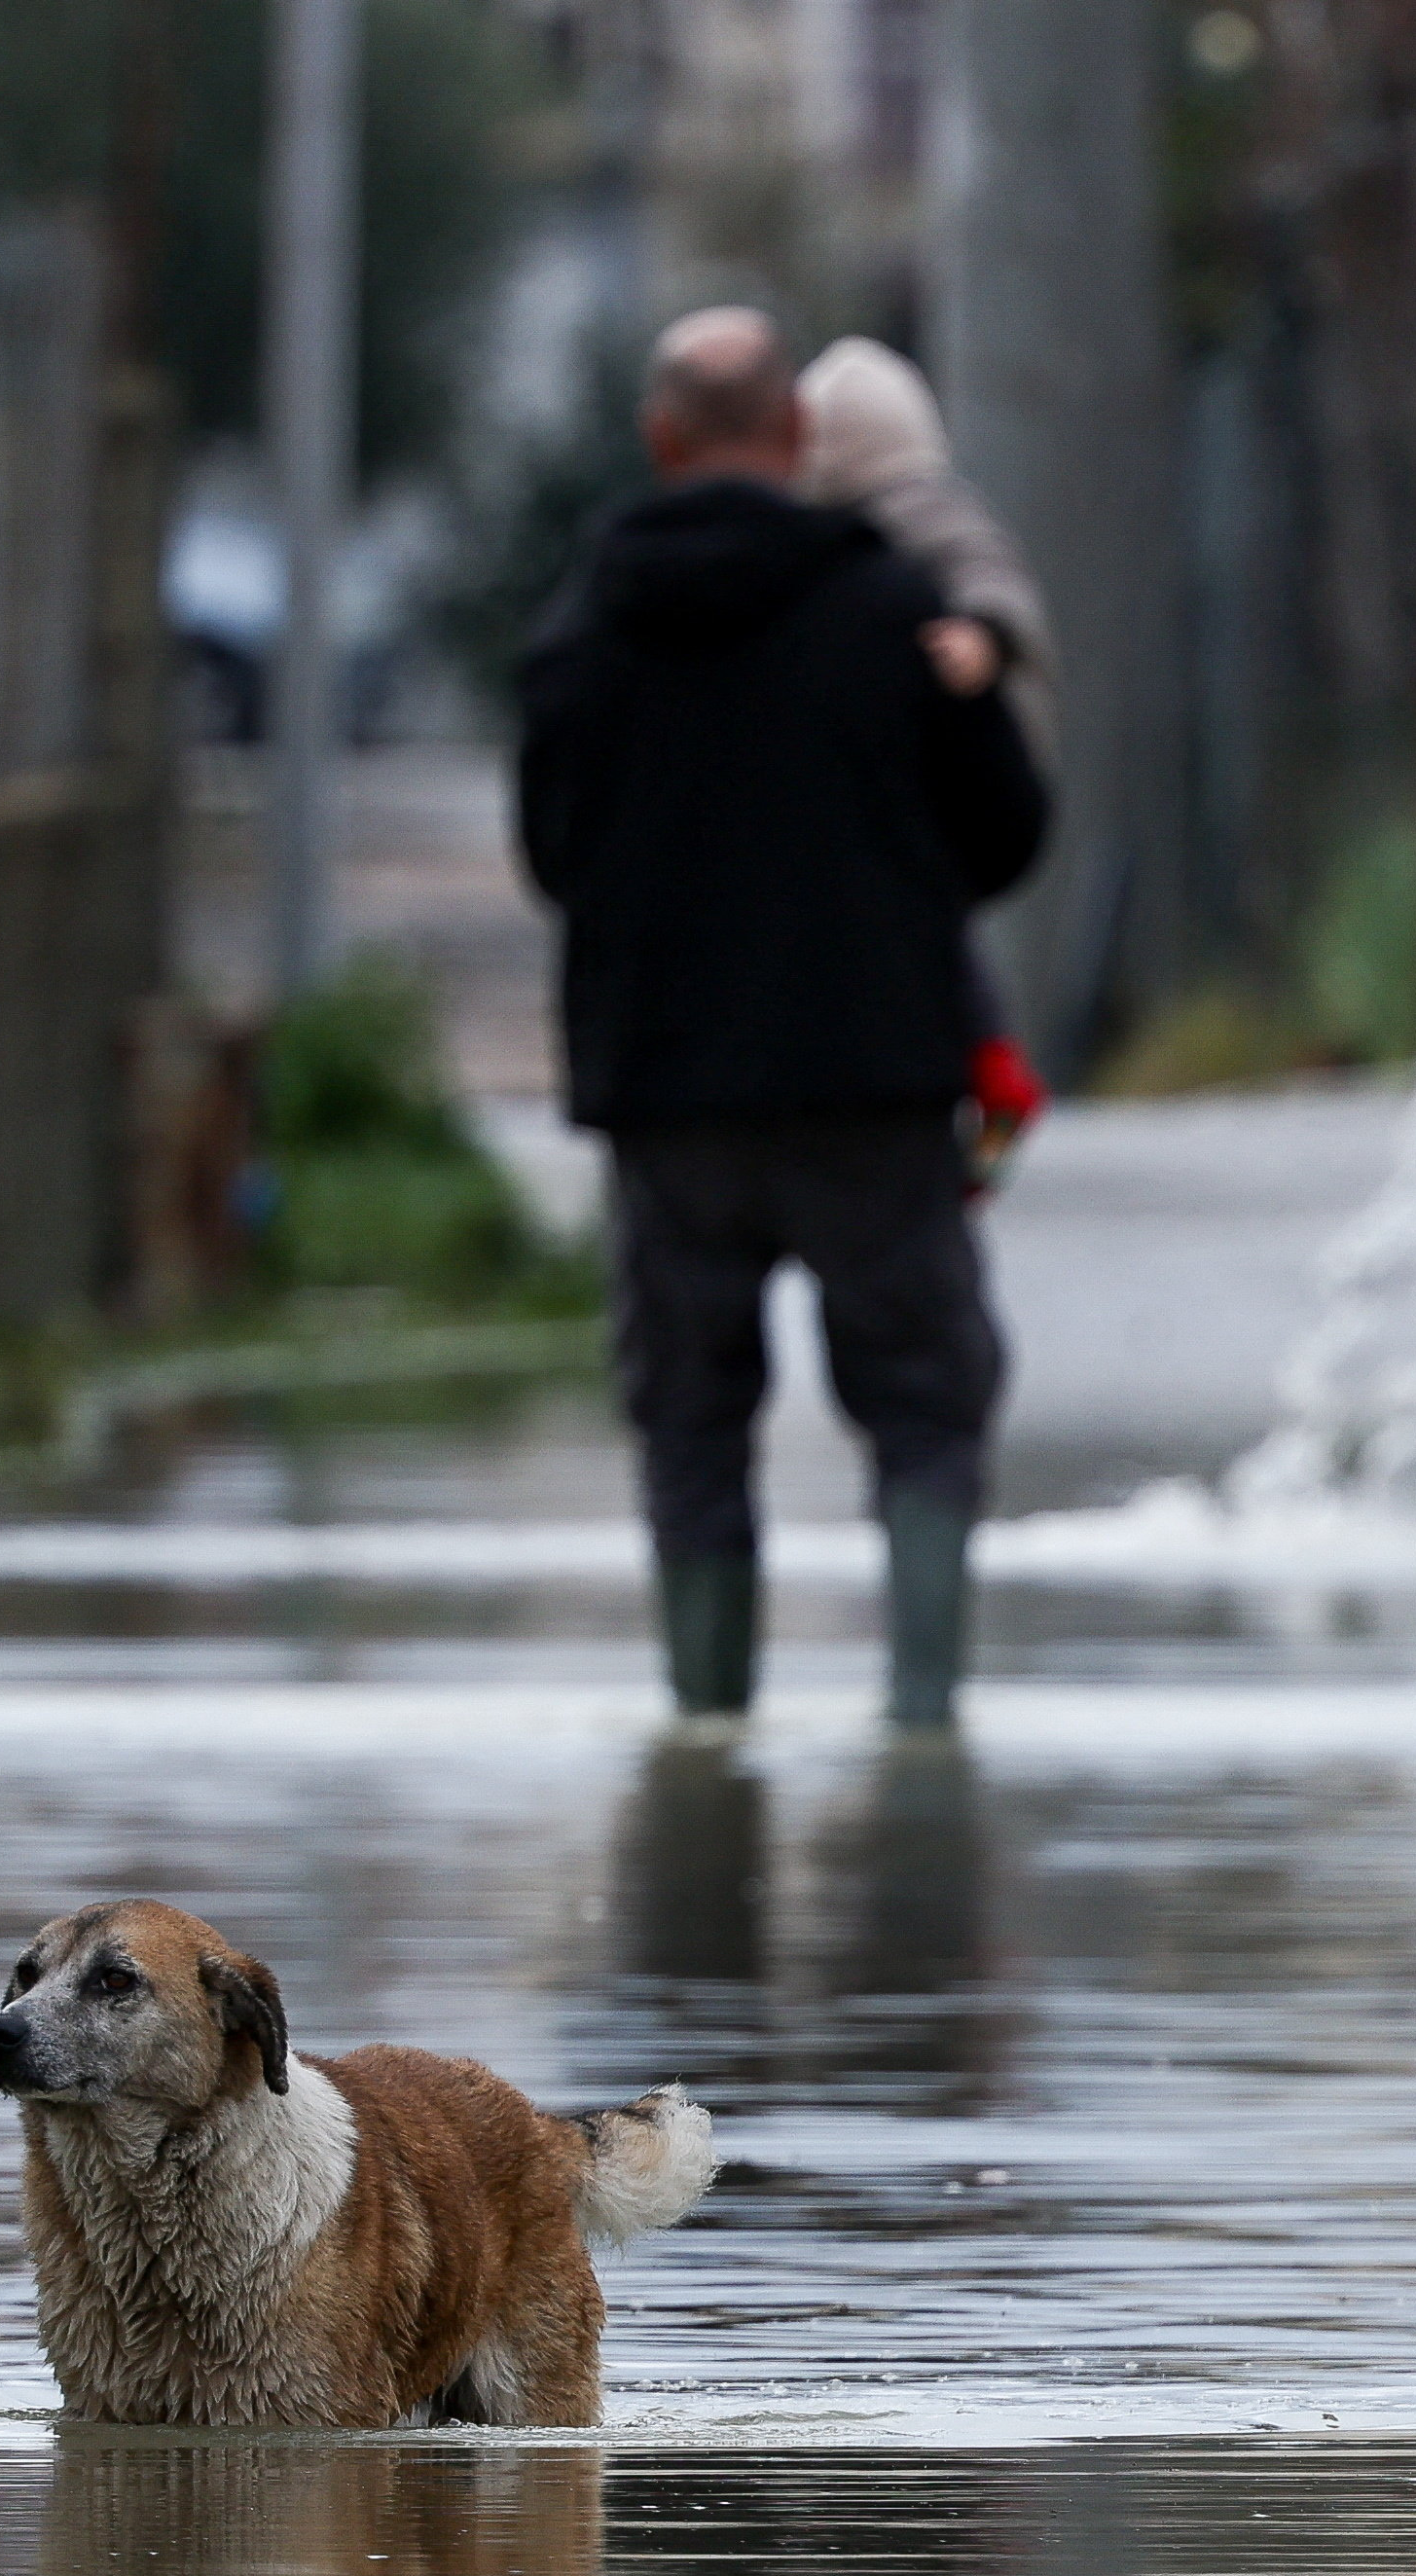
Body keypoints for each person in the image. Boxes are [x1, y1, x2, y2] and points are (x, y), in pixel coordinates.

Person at [515, 308, 1052, 1732]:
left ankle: (709, 1725)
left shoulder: (585, 626)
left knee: (690, 1419)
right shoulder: (893, 613)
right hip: (874, 1089)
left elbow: (555, 853)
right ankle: (923, 1719)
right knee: (927, 1402)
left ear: (660, 438)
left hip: (667, 1097)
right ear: (799, 437)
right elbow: (1005, 829)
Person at [799, 334, 1061, 1192]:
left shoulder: (924, 515)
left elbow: (999, 588)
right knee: (935, 939)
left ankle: (988, 1088)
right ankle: (984, 1093)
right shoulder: (851, 533)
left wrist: (983, 636)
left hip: (942, 781)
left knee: (935, 938)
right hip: (923, 786)